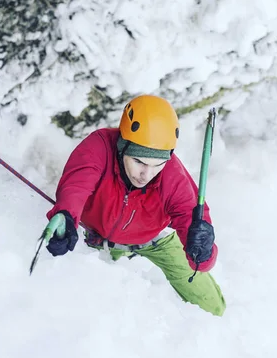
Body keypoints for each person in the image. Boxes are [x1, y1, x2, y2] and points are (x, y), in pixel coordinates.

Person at [44, 94, 226, 316]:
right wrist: (66, 216)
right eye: (139, 161)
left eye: (157, 164)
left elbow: (192, 217)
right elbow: (75, 188)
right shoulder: (99, 148)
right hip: (94, 236)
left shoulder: (172, 176)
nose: (146, 175)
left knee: (212, 307)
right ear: (122, 146)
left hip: (153, 240)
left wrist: (202, 250)